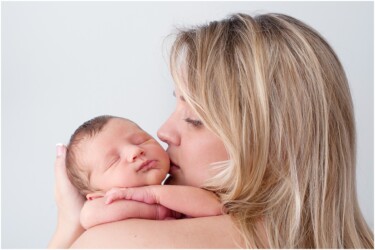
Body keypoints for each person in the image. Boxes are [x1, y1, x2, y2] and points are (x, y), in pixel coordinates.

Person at [49, 13, 374, 248]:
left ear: (275, 141)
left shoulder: (120, 242)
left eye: (194, 119)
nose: (163, 132)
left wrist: (68, 228)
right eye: (175, 105)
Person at [64, 115, 222, 229]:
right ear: (97, 195)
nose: (135, 151)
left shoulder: (177, 188)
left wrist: (152, 194)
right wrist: (154, 210)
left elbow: (216, 207)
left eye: (142, 141)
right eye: (114, 160)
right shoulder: (99, 207)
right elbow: (88, 216)